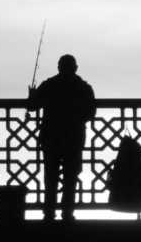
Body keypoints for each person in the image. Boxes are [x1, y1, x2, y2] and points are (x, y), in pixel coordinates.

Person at [28, 54, 96, 222]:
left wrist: (32, 95)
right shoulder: (84, 87)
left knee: (50, 177)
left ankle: (49, 213)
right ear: (75, 68)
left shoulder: (49, 85)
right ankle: (67, 213)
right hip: (74, 139)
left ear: (59, 68)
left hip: (51, 137)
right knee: (71, 178)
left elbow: (32, 107)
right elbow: (90, 113)